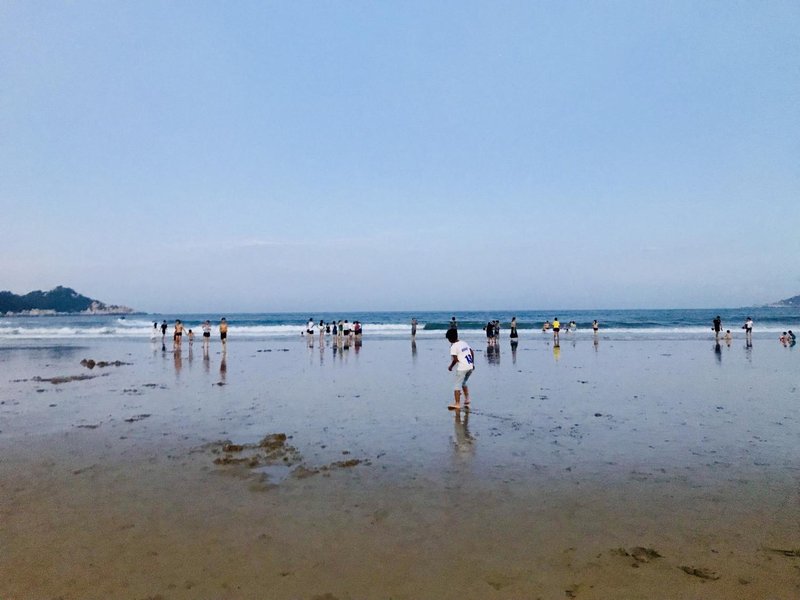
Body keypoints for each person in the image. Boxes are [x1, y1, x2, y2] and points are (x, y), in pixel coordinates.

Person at [446, 328, 474, 411]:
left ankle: (457, 403)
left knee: (457, 385)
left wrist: (450, 366)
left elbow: (455, 359)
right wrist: (472, 362)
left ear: (450, 339)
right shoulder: (464, 343)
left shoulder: (453, 347)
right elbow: (472, 352)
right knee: (464, 382)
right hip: (470, 366)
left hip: (462, 368)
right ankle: (467, 399)